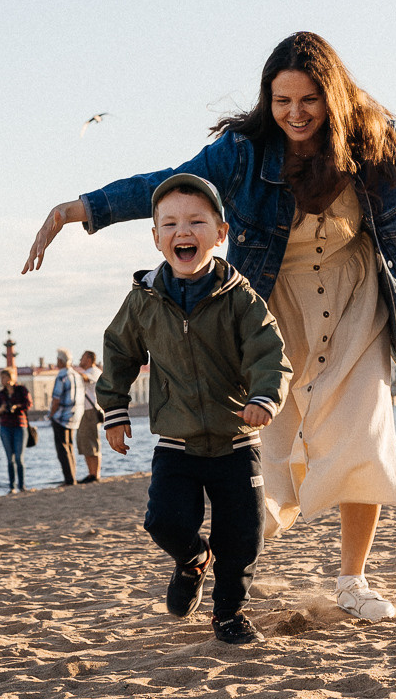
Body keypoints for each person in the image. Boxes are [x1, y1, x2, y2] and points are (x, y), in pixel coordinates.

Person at [24, 32, 396, 623]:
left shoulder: (374, 142)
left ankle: (353, 581)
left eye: (309, 99)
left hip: (357, 302)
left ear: (332, 95)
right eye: (282, 101)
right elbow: (169, 183)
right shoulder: (242, 152)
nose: (295, 113)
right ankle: (223, 559)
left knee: (362, 437)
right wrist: (80, 210)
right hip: (273, 305)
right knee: (267, 447)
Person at [98, 173, 290, 646]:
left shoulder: (240, 298)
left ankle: (229, 614)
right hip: (176, 441)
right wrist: (114, 410)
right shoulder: (143, 301)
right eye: (170, 224)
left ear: (220, 234)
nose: (183, 231)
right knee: (163, 521)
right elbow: (119, 352)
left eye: (196, 222)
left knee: (241, 538)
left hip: (236, 440)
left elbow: (269, 353)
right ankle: (192, 560)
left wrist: (264, 397)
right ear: (156, 237)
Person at [0, 366, 31, 494]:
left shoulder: (21, 390)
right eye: (1, 378)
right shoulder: (1, 394)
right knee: (10, 459)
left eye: (4, 377)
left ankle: (22, 486)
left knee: (19, 458)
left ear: (11, 378)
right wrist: (1, 409)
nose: (2, 380)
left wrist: (16, 406)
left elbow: (28, 404)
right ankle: (12, 487)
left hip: (20, 426)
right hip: (5, 427)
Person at [49, 348, 80, 486]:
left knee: (62, 448)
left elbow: (56, 399)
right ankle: (73, 477)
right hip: (74, 417)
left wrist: (51, 414)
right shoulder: (77, 375)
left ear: (60, 361)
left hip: (61, 417)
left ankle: (69, 479)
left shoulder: (61, 376)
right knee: (70, 447)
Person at [75, 349, 105, 483]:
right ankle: (91, 473)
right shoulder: (90, 371)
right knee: (85, 442)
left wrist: (72, 371)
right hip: (85, 412)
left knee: (92, 441)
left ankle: (95, 474)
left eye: (82, 357)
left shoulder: (94, 372)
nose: (80, 360)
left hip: (90, 411)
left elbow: (85, 378)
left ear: (89, 359)